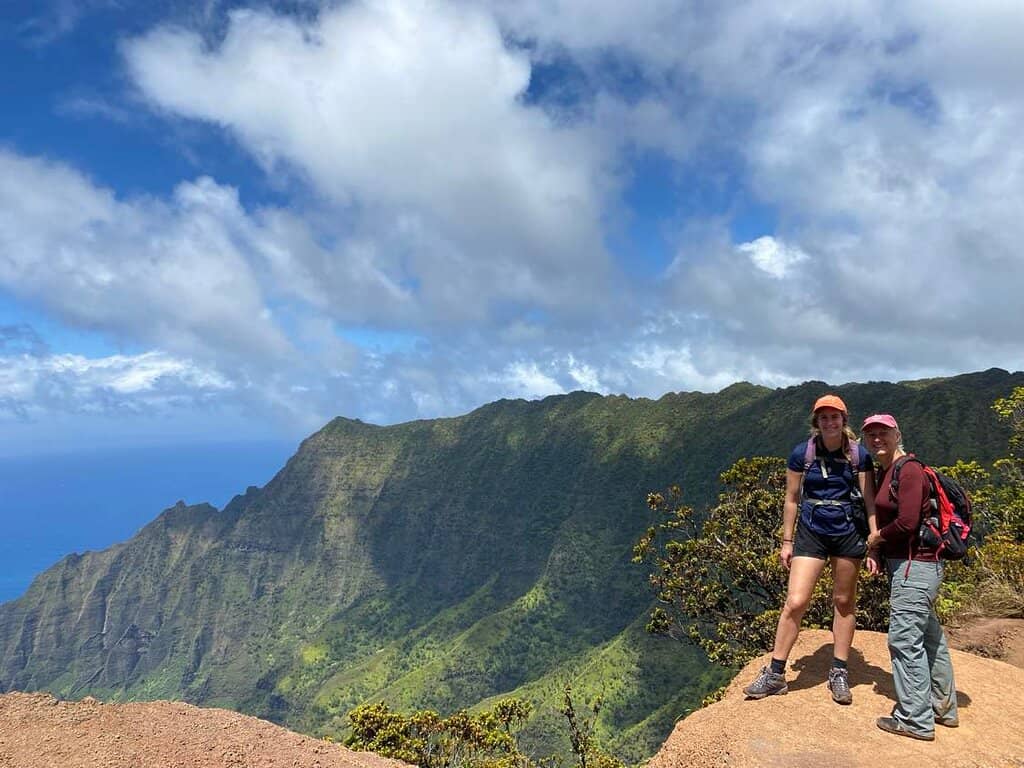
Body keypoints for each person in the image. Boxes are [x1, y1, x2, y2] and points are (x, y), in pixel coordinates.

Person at [744, 394, 877, 704]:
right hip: (811, 533)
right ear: (816, 422)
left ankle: (839, 671)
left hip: (848, 534)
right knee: (796, 601)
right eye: (824, 417)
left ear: (845, 420)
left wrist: (874, 543)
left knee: (843, 601)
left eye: (835, 417)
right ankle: (776, 673)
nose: (830, 422)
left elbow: (870, 501)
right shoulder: (802, 454)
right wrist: (786, 542)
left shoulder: (859, 456)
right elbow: (791, 498)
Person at [863, 413, 958, 741]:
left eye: (883, 433)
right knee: (930, 637)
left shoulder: (910, 469)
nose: (877, 439)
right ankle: (942, 708)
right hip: (913, 565)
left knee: (904, 640)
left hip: (913, 566)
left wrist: (875, 539)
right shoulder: (887, 470)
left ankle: (915, 719)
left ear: (897, 434)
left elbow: (906, 522)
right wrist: (878, 551)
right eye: (871, 434)